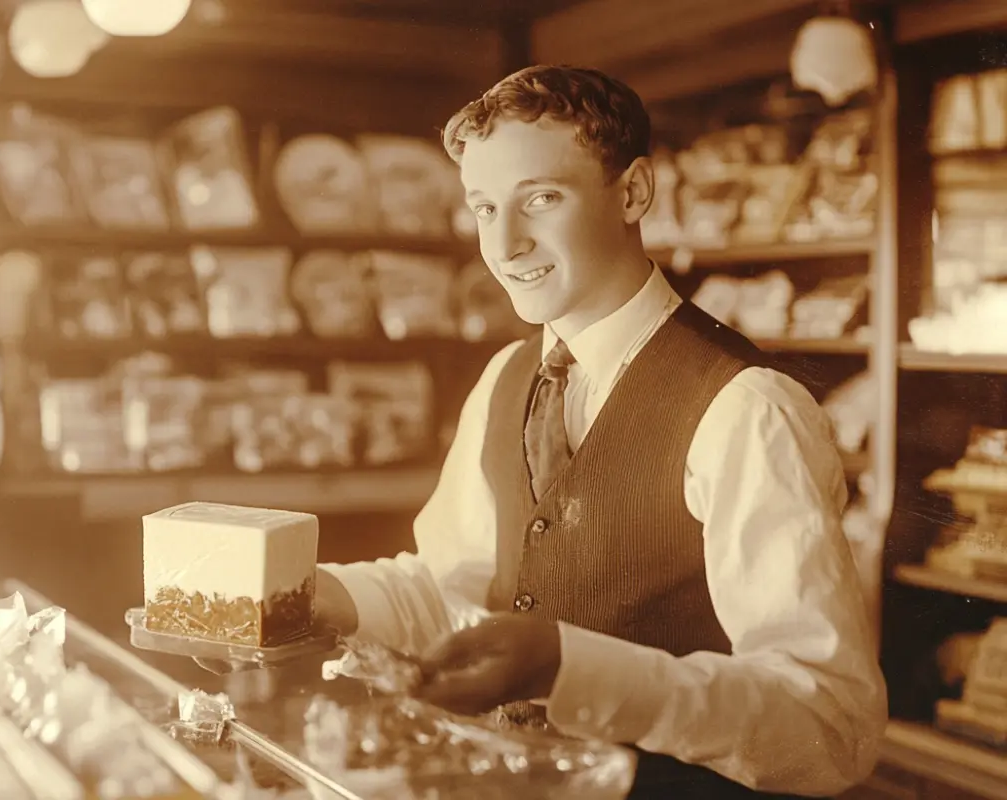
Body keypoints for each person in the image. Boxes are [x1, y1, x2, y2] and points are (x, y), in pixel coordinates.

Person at [314, 65, 887, 799]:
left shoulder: (747, 407)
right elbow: (448, 590)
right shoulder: (505, 378)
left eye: (540, 200)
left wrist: (571, 667)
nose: (506, 246)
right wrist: (307, 595)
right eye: (485, 209)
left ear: (634, 193)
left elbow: (829, 725)